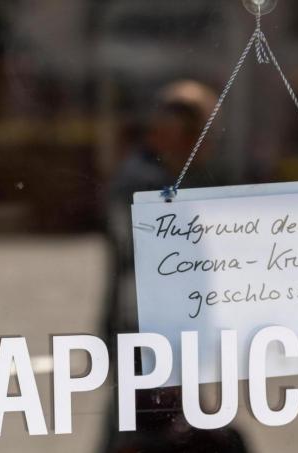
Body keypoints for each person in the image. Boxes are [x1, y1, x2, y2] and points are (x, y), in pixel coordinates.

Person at [100, 81, 248, 453]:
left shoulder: (158, 182)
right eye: (205, 133)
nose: (210, 145)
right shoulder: (145, 186)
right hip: (153, 336)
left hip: (154, 335)